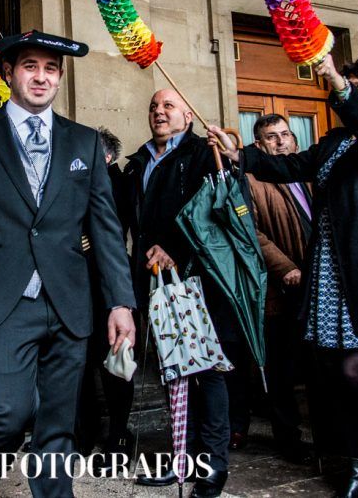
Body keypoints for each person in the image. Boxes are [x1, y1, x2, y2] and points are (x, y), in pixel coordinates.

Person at [209, 54, 358, 498]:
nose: (347, 93)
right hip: (328, 273)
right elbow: (288, 167)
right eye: (346, 85)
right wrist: (238, 154)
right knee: (333, 376)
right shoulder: (334, 140)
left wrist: (338, 81)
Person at [0, 31, 135, 498]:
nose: (41, 77)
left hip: (69, 303)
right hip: (2, 301)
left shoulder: (85, 142)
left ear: (60, 77)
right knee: (7, 414)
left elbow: (106, 229)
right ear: (9, 73)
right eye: (30, 66)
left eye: (51, 69)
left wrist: (120, 303)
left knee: (58, 422)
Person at [120, 88, 239, 497]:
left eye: (168, 106)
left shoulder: (203, 154)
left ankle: (214, 465)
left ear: (188, 116)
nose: (159, 111)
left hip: (198, 281)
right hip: (154, 281)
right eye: (154, 106)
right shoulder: (138, 162)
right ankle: (182, 459)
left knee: (206, 371)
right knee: (173, 370)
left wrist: (176, 247)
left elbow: (215, 213)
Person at [240, 114, 313, 463]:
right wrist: (286, 268)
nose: (281, 141)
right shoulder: (251, 180)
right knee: (281, 371)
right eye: (272, 136)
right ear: (259, 145)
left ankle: (330, 438)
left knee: (318, 368)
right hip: (279, 288)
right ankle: (289, 439)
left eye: (286, 134)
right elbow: (251, 231)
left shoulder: (309, 174)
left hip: (316, 283)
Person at [75, 127, 135, 461]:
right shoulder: (79, 180)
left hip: (108, 284)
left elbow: (113, 229)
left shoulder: (118, 183)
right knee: (81, 363)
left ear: (107, 157)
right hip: (79, 284)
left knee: (114, 363)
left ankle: (119, 433)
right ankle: (84, 432)